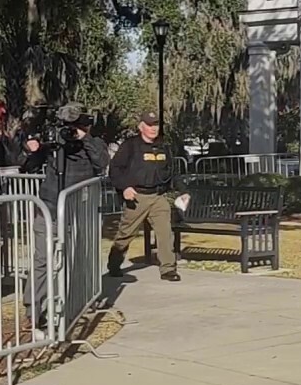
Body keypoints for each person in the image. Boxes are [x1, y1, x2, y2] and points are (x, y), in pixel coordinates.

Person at [22, 103, 108, 334]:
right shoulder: (53, 142)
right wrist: (33, 148)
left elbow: (102, 164)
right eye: (68, 126)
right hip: (49, 209)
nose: (71, 130)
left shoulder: (94, 144)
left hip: (77, 212)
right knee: (43, 260)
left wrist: (84, 139)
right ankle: (34, 310)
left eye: (78, 125)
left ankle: (72, 303)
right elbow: (28, 164)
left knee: (75, 261)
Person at [106, 111, 186, 282]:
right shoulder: (130, 146)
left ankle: (168, 269)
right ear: (141, 126)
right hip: (137, 197)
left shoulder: (164, 146)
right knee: (125, 234)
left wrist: (183, 191)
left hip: (158, 196)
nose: (153, 128)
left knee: (165, 233)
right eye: (149, 125)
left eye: (156, 125)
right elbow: (115, 169)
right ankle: (114, 264)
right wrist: (124, 187)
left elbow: (173, 173)